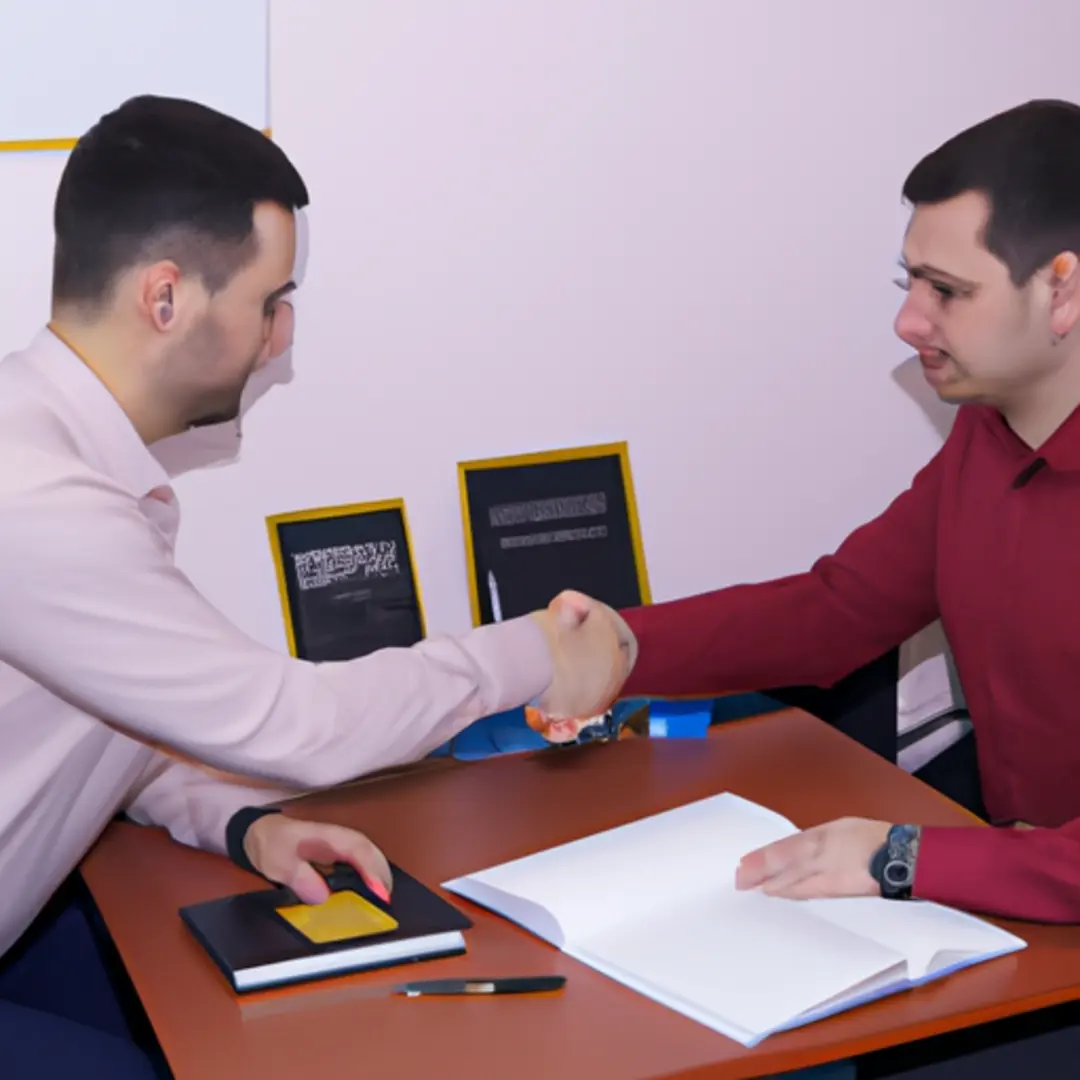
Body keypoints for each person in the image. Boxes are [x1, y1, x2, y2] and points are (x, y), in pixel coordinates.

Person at [0, 95, 634, 1078]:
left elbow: (112, 709)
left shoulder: (57, 456)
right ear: (165, 299)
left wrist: (244, 821)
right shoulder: (37, 497)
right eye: (270, 299)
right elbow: (293, 723)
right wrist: (534, 651)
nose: (283, 336)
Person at [532, 98, 1080, 929]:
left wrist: (901, 855)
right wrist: (626, 647)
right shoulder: (989, 432)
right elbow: (839, 611)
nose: (908, 323)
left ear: (1063, 290)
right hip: (1017, 901)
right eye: (910, 284)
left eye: (947, 292)